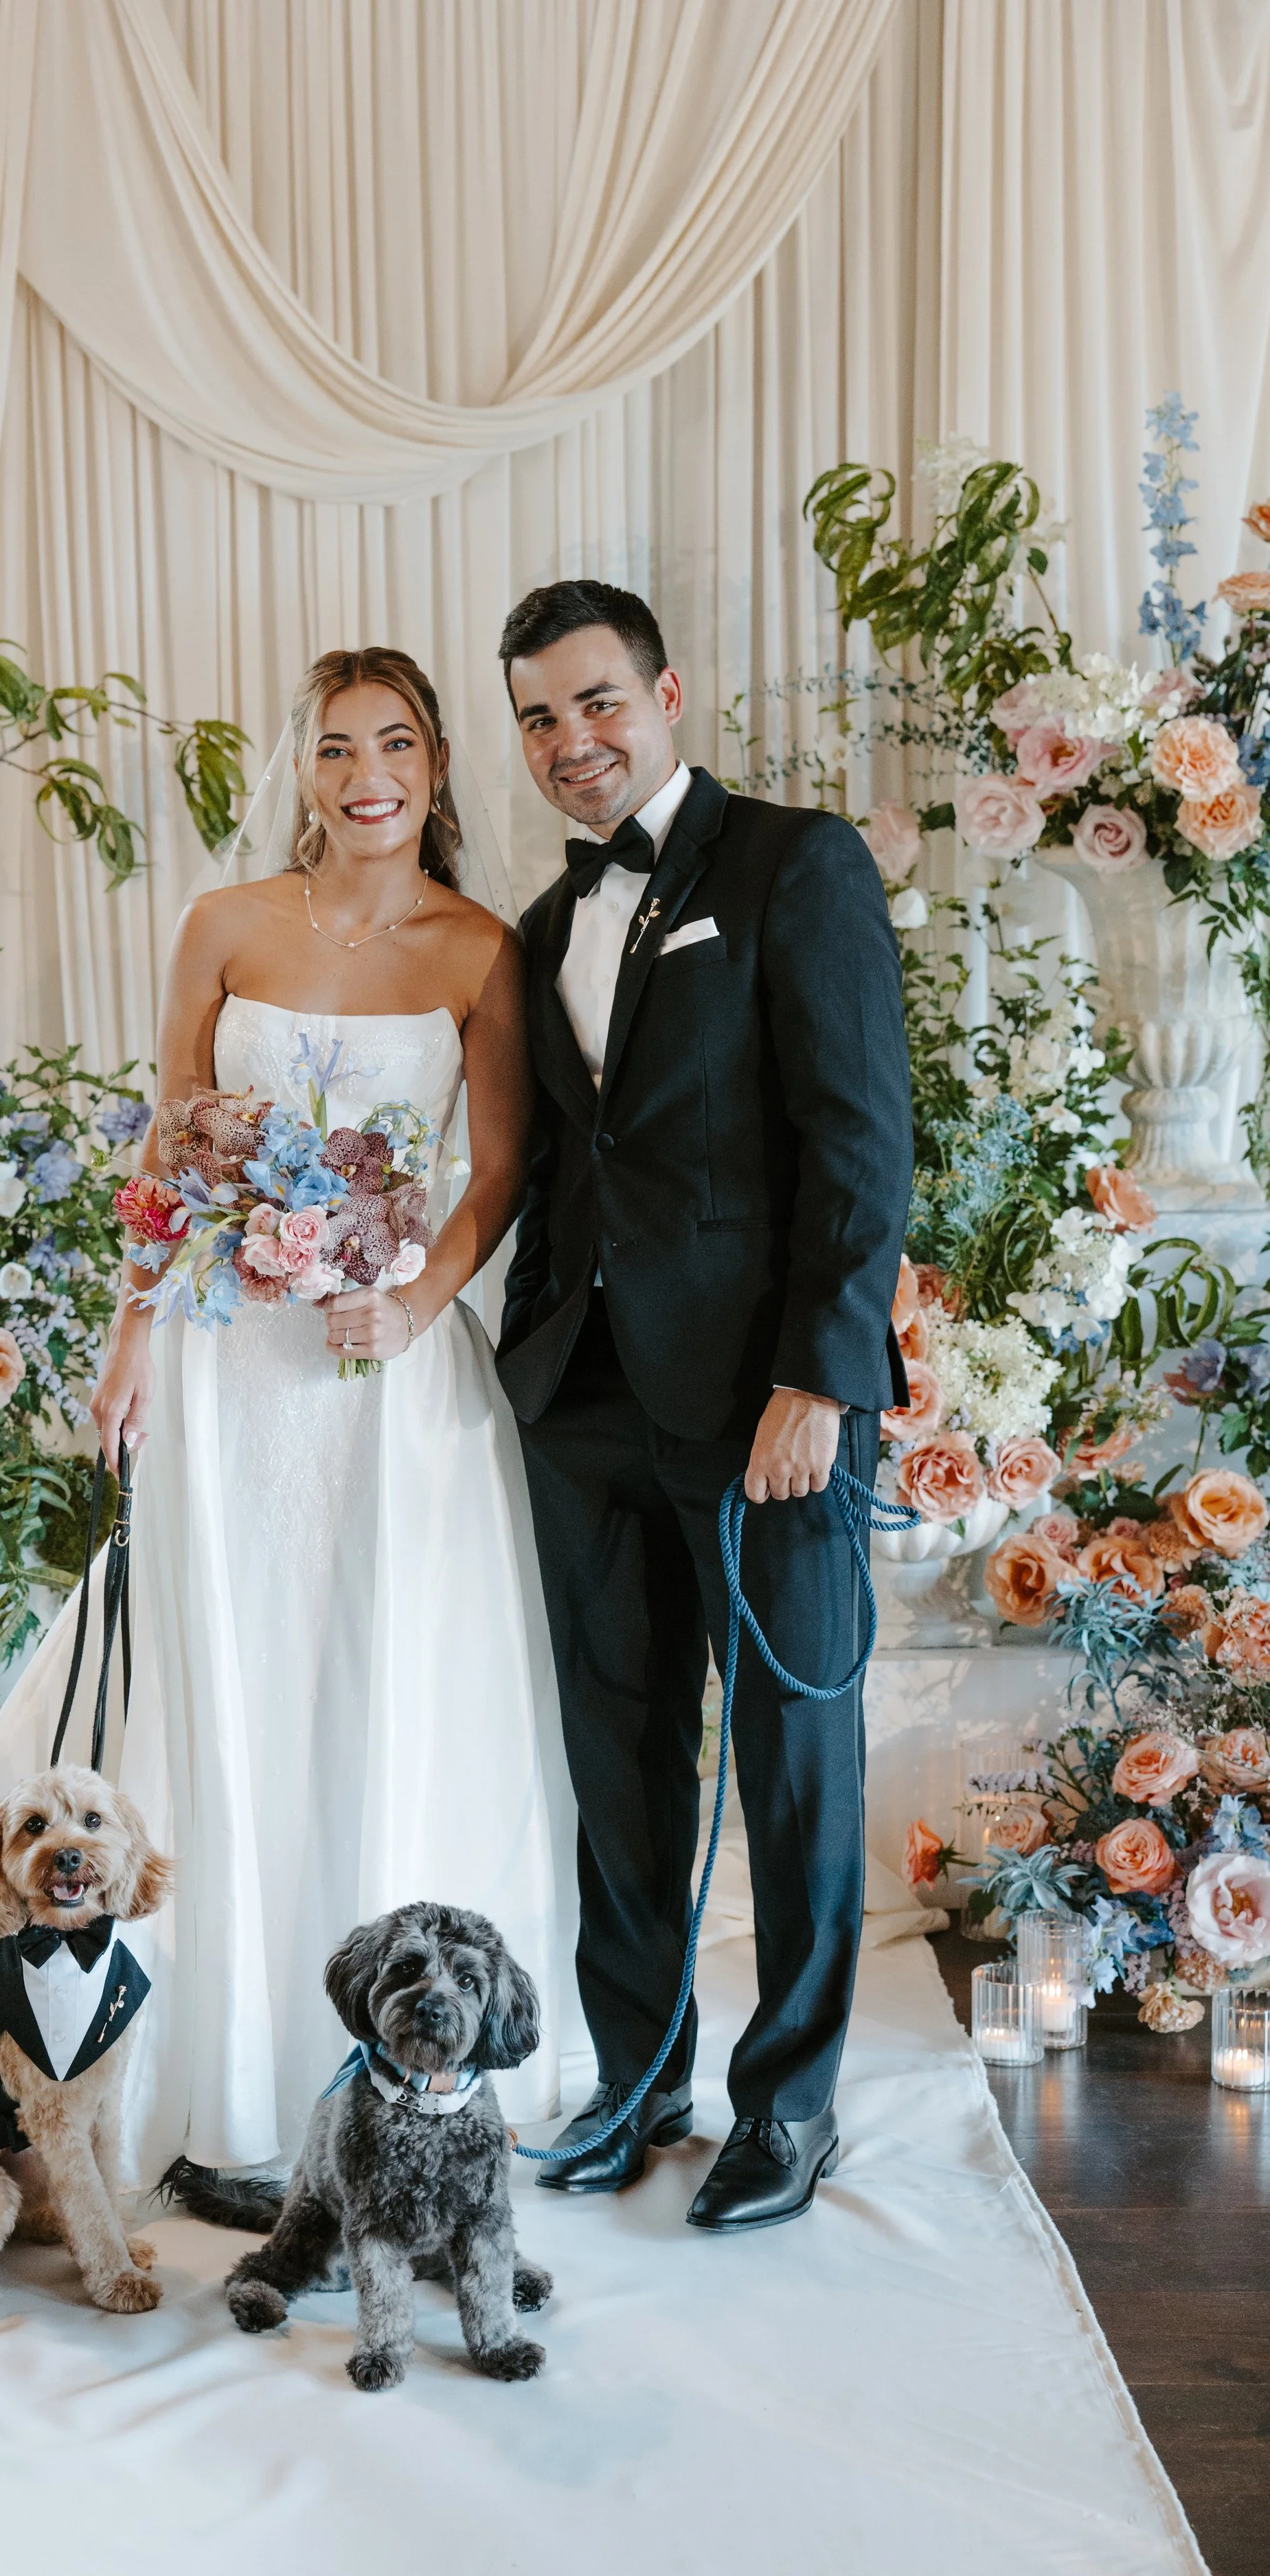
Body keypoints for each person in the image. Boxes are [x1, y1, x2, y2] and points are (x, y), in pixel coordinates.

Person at [87, 645, 565, 2185]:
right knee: (234, 1680)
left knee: (373, 1679)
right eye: (338, 747)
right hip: (229, 1362)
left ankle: (385, 2080)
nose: (368, 775)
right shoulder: (220, 924)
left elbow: (494, 1175)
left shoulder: (483, 949)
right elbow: (170, 1143)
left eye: (399, 745)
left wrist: (414, 1302)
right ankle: (213, 2067)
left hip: (381, 1375)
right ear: (301, 767)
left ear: (435, 766)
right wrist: (131, 1333)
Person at [495, 579, 912, 2230]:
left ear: (666, 694)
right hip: (581, 1401)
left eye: (594, 702)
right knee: (618, 1759)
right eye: (536, 717)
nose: (569, 742)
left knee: (794, 1754)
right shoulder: (542, 928)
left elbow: (859, 1139)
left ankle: (788, 2107)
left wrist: (821, 1371)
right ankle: (637, 2075)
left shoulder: (791, 865)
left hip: (763, 1403)